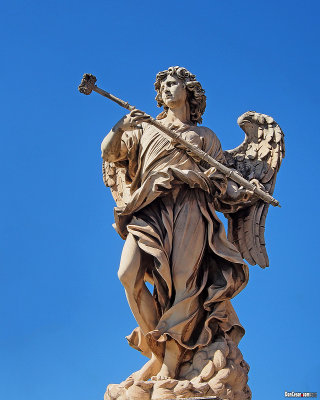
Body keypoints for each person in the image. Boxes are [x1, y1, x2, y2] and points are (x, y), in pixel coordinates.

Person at [101, 66, 251, 381]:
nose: (167, 89)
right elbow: (110, 152)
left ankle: (171, 360)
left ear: (189, 91)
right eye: (164, 85)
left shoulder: (206, 137)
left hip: (191, 208)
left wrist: (244, 190)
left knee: (185, 287)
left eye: (174, 84)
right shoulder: (145, 128)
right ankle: (155, 350)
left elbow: (221, 182)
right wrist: (121, 125)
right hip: (150, 207)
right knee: (128, 274)